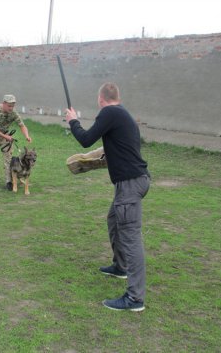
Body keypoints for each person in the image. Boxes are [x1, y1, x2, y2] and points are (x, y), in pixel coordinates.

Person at [65, 82, 150, 312]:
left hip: (130, 184)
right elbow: (115, 146)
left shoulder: (110, 112)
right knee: (114, 220)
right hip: (132, 182)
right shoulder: (121, 114)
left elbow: (85, 138)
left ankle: (135, 299)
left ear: (100, 98)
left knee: (131, 238)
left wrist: (73, 120)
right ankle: (120, 267)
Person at [0, 94, 32, 190]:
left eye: (13, 106)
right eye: (9, 106)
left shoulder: (13, 113)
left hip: (5, 137)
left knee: (8, 159)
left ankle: (9, 182)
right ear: (3, 103)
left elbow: (21, 125)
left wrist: (27, 136)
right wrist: (5, 136)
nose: (11, 108)